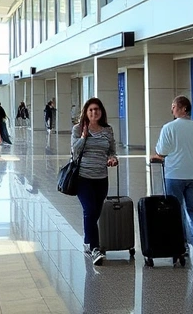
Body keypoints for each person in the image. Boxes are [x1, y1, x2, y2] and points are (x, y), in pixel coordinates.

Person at [151, 95, 193, 262]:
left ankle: (182, 246)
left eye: (174, 106)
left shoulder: (169, 128)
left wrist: (157, 155)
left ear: (184, 108)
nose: (172, 109)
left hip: (174, 175)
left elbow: (161, 152)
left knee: (176, 211)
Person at [71, 97, 119, 265]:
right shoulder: (78, 129)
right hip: (83, 178)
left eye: (96, 109)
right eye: (91, 110)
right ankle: (95, 248)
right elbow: (74, 150)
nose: (94, 112)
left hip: (101, 178)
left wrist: (112, 158)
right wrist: (84, 136)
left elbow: (112, 150)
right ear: (86, 112)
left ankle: (87, 242)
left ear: (101, 112)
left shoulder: (107, 130)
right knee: (90, 211)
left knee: (94, 213)